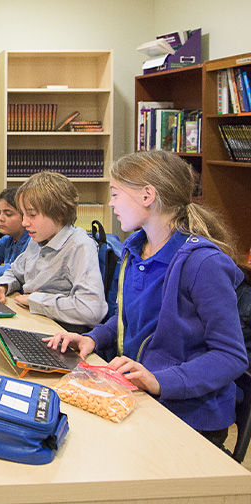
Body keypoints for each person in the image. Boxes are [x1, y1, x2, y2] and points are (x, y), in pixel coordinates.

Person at [46, 151, 248, 445]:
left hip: (188, 416)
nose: (111, 203)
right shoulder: (136, 249)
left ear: (147, 196)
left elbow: (230, 356)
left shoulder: (203, 264)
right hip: (139, 398)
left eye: (116, 194)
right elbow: (128, 317)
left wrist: (159, 381)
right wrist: (94, 338)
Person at [0, 171, 107, 329]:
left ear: (59, 213)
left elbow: (91, 310)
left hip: (59, 330)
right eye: (23, 215)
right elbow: (16, 271)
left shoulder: (79, 246)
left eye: (31, 215)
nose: (24, 223)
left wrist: (36, 301)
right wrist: (2, 286)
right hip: (33, 319)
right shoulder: (38, 237)